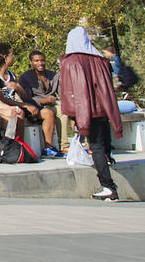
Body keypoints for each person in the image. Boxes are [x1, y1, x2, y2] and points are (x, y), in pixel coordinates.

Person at [59, 26, 125, 200]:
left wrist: (74, 116)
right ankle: (109, 160)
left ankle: (108, 186)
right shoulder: (99, 59)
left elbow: (70, 92)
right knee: (104, 142)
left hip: (86, 110)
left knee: (95, 146)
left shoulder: (70, 61)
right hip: (103, 107)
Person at [18, 50, 64, 157]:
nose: (40, 63)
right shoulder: (25, 77)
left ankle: (63, 146)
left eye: (42, 60)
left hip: (53, 104)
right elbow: (26, 98)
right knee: (48, 113)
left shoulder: (54, 76)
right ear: (31, 62)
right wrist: (43, 101)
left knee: (63, 110)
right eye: (36, 61)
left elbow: (62, 94)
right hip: (36, 106)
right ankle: (48, 147)